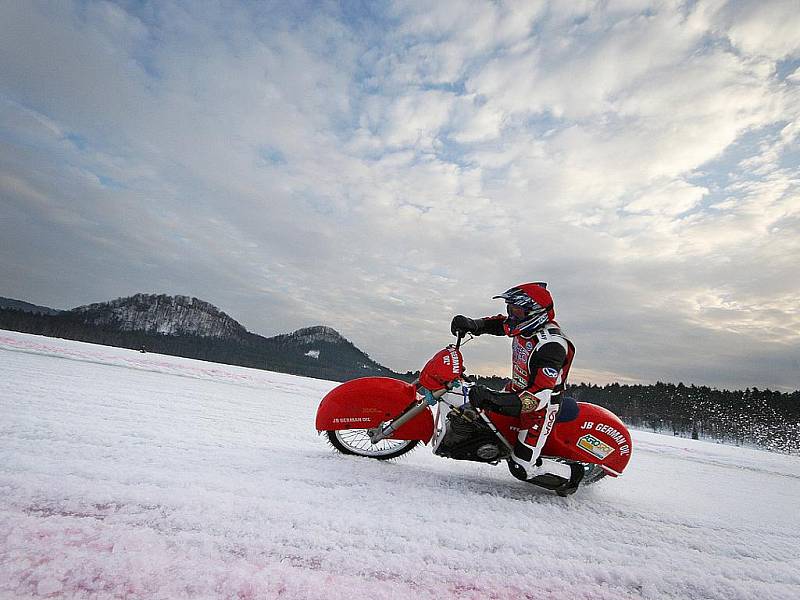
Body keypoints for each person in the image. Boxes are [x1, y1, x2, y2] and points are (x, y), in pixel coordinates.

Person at [450, 282, 584, 495]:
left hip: (540, 409)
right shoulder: (525, 325)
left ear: (534, 313)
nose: (511, 315)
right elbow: (500, 324)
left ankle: (572, 475)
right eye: (510, 309)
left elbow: (539, 396)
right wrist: (472, 324)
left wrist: (492, 399)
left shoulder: (551, 346)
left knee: (521, 467)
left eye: (516, 310)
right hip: (516, 390)